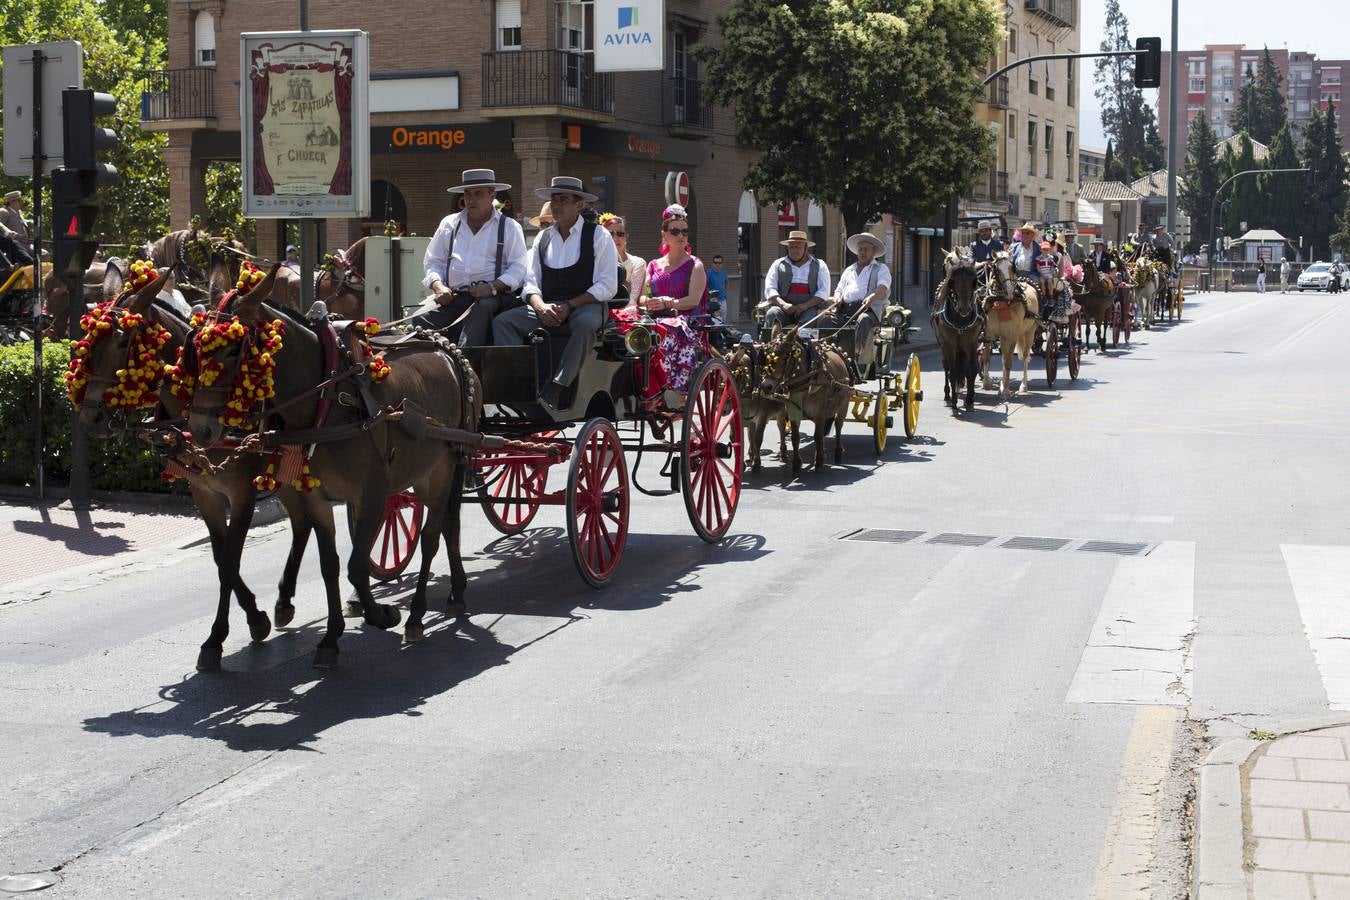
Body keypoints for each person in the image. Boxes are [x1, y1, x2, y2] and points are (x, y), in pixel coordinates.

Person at [493, 175, 617, 410]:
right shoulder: (543, 237)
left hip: (585, 306)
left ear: (579, 204)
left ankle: (558, 386)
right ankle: (520, 384)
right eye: (554, 200)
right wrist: (539, 305)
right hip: (547, 306)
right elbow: (530, 281)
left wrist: (570, 306)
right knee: (503, 322)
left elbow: (607, 285)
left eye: (564, 199)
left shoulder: (598, 236)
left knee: (587, 323)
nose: (556, 205)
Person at [418, 168, 528, 346]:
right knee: (419, 321)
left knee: (481, 310)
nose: (471, 199)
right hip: (453, 297)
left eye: (478, 194)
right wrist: (438, 286)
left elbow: (519, 268)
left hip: (492, 299)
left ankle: (466, 362)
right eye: (467, 193)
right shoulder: (449, 224)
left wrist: (492, 287)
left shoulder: (509, 227)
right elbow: (433, 261)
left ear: (492, 195)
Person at [612, 204, 707, 400]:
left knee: (665, 331)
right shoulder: (654, 265)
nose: (681, 235)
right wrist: (650, 302)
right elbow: (643, 297)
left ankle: (670, 387)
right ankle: (636, 384)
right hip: (655, 320)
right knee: (628, 333)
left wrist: (669, 303)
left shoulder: (695, 265)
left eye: (684, 231)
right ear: (664, 235)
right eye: (675, 231)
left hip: (686, 322)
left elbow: (693, 300)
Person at [833, 233, 892, 370]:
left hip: (869, 311)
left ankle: (856, 357)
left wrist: (872, 297)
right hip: (845, 311)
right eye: (861, 249)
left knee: (863, 319)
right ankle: (826, 354)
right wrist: (837, 297)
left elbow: (883, 287)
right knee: (826, 322)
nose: (863, 252)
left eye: (866, 249)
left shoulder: (881, 269)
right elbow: (838, 289)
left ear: (873, 252)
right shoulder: (849, 270)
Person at [763, 229, 832, 329]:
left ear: (806, 248)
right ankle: (773, 343)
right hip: (783, 309)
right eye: (792, 247)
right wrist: (783, 305)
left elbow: (824, 291)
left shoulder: (820, 265)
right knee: (771, 314)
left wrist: (805, 305)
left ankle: (803, 344)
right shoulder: (777, 264)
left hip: (808, 309)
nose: (794, 250)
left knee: (808, 323)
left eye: (798, 247)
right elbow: (770, 289)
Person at [601, 214, 645, 300]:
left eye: (620, 234)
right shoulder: (596, 262)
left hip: (625, 310)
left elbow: (632, 299)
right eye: (610, 234)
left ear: (626, 237)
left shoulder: (638, 263)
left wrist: (618, 264)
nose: (615, 238)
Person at [0, 190, 34, 272]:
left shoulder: (18, 212)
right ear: (12, 202)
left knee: (43, 253)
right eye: (19, 200)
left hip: (25, 243)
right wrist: (8, 232)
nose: (22, 202)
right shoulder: (4, 212)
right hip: (17, 244)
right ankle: (34, 268)